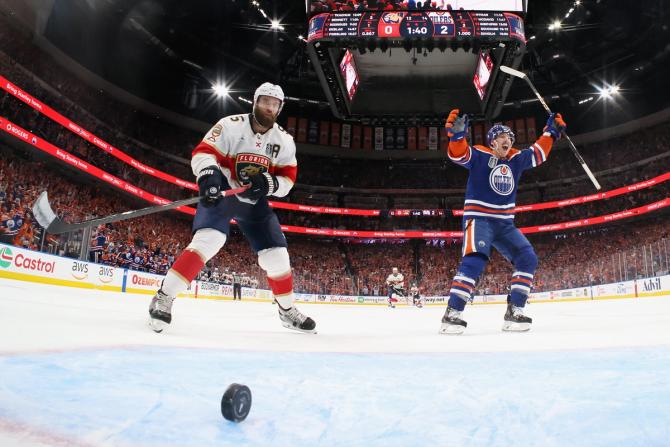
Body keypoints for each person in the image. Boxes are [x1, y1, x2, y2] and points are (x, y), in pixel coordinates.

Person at [148, 82, 316, 334]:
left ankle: (287, 311)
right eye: (265, 101)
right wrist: (208, 176)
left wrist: (269, 183)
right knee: (209, 239)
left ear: (279, 109)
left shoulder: (284, 141)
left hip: (253, 201)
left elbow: (288, 181)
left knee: (277, 256)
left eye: (274, 104)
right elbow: (203, 153)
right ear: (255, 102)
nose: (269, 107)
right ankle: (164, 297)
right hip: (224, 192)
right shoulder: (230, 124)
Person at [440, 108, 566, 334]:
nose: (507, 140)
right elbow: (458, 155)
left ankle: (515, 311)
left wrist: (551, 133)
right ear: (492, 141)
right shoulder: (479, 154)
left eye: (509, 137)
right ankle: (452, 313)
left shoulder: (516, 159)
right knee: (475, 261)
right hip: (479, 219)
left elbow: (538, 153)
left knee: (527, 258)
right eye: (501, 137)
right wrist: (457, 137)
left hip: (505, 223)